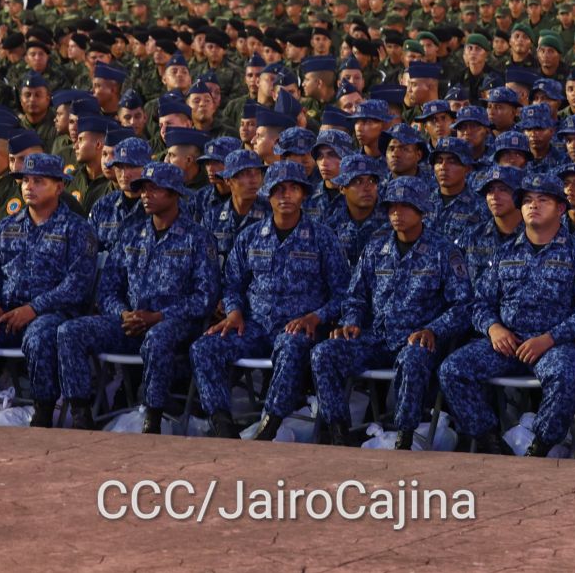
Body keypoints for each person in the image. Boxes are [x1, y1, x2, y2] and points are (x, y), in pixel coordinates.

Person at [438, 172, 575, 457]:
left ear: (560, 208)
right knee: (452, 370)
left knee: (567, 373)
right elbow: (480, 303)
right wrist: (493, 329)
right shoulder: (505, 253)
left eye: (542, 200)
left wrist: (549, 339)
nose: (532, 206)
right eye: (527, 200)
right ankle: (491, 441)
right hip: (507, 343)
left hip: (553, 346)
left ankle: (539, 448)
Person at [191, 161, 350, 439]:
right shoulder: (250, 236)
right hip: (254, 327)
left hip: (299, 328)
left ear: (303, 194)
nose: (285, 195)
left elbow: (343, 294)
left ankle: (270, 424)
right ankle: (222, 423)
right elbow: (232, 285)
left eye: (292, 189)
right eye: (277, 190)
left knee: (290, 345)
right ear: (268, 195)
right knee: (204, 347)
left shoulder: (322, 238)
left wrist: (317, 317)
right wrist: (234, 312)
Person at [311, 176, 472, 449]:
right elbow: (356, 296)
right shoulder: (376, 249)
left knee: (412, 358)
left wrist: (434, 330)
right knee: (324, 353)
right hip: (379, 338)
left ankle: (404, 436)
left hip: (420, 341)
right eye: (392, 207)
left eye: (405, 207)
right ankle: (338, 430)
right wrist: (351, 322)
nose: (397, 213)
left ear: (421, 209)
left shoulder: (443, 251)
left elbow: (462, 305)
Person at [57, 162, 218, 434]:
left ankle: (152, 419)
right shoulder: (131, 234)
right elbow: (108, 289)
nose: (145, 195)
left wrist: (158, 317)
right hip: (129, 323)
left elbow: (205, 298)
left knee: (158, 337)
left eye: (154, 189)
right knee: (69, 331)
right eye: (143, 189)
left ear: (174, 193)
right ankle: (81, 413)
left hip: (174, 325)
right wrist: (124, 314)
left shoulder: (198, 239)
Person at [0, 153, 97, 425]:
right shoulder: (7, 227)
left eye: (38, 181)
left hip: (52, 315)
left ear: (59, 187)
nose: (28, 187)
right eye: (25, 180)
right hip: (6, 315)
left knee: (39, 338)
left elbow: (78, 284)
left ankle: (43, 411)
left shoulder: (77, 229)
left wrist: (34, 308)